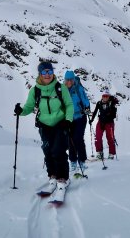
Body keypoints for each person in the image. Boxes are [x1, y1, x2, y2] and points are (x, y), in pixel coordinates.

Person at [14, 61, 74, 194]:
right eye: (44, 72)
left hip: (60, 123)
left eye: (50, 71)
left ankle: (63, 178)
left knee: (58, 151)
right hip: (44, 125)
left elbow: (69, 105)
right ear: (40, 74)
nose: (48, 75)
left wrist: (68, 120)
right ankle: (52, 176)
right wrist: (21, 111)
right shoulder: (35, 90)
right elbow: (29, 107)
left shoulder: (60, 88)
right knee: (47, 151)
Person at [64, 70, 91, 172]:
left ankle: (82, 160)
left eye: (71, 79)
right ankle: (73, 161)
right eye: (67, 80)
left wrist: (88, 113)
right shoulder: (63, 90)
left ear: (74, 79)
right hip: (69, 119)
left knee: (78, 138)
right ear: (65, 80)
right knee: (70, 140)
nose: (69, 82)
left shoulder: (78, 89)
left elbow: (86, 101)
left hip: (80, 117)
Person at [89, 90, 118, 159]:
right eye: (103, 96)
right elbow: (95, 111)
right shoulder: (99, 103)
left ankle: (111, 153)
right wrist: (92, 120)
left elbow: (114, 115)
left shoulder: (112, 104)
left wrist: (109, 115)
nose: (105, 97)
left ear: (109, 96)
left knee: (110, 138)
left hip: (109, 123)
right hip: (101, 122)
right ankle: (99, 152)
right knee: (97, 137)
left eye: (106, 96)